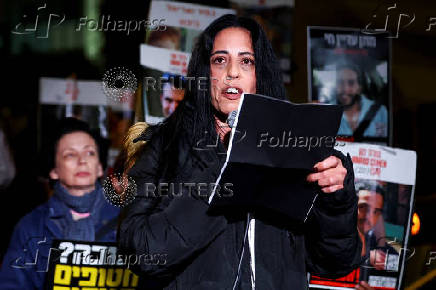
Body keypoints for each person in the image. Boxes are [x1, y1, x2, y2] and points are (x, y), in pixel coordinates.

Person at [119, 14, 361, 289]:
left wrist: (336, 202)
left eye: (246, 61)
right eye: (220, 60)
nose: (232, 72)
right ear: (204, 73)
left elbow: (336, 263)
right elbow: (140, 253)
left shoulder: (296, 149)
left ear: (261, 74)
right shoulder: (165, 147)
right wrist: (222, 168)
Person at [0, 118, 119, 289]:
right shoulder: (32, 227)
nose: (82, 161)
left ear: (100, 167)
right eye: (70, 154)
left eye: (90, 153)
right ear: (54, 170)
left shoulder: (127, 222)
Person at [335, 64, 388, 138]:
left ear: (359, 88)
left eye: (351, 83)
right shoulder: (325, 113)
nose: (345, 89)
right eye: (340, 82)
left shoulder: (380, 111)